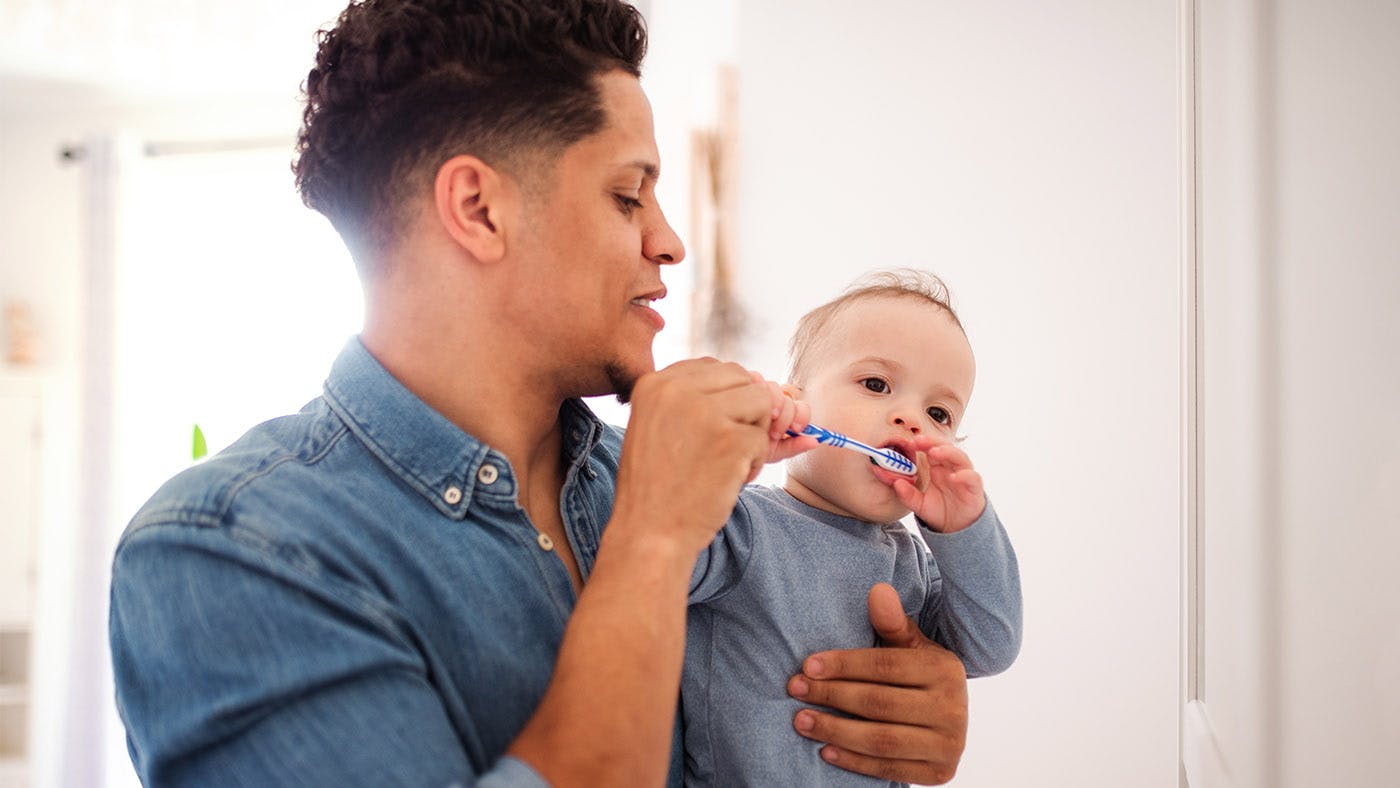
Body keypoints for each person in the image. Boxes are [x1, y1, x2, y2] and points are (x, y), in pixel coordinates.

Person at [108, 2, 971, 785]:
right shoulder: (229, 553)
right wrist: (653, 541)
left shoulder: (665, 487)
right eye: (628, 194)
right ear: (479, 210)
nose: (669, 241)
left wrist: (902, 704)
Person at [681, 270, 1022, 786]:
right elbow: (659, 564)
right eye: (876, 384)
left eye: (939, 413)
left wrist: (964, 529)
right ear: (795, 407)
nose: (912, 420)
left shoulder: (913, 565)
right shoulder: (743, 524)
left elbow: (991, 646)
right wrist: (723, 462)